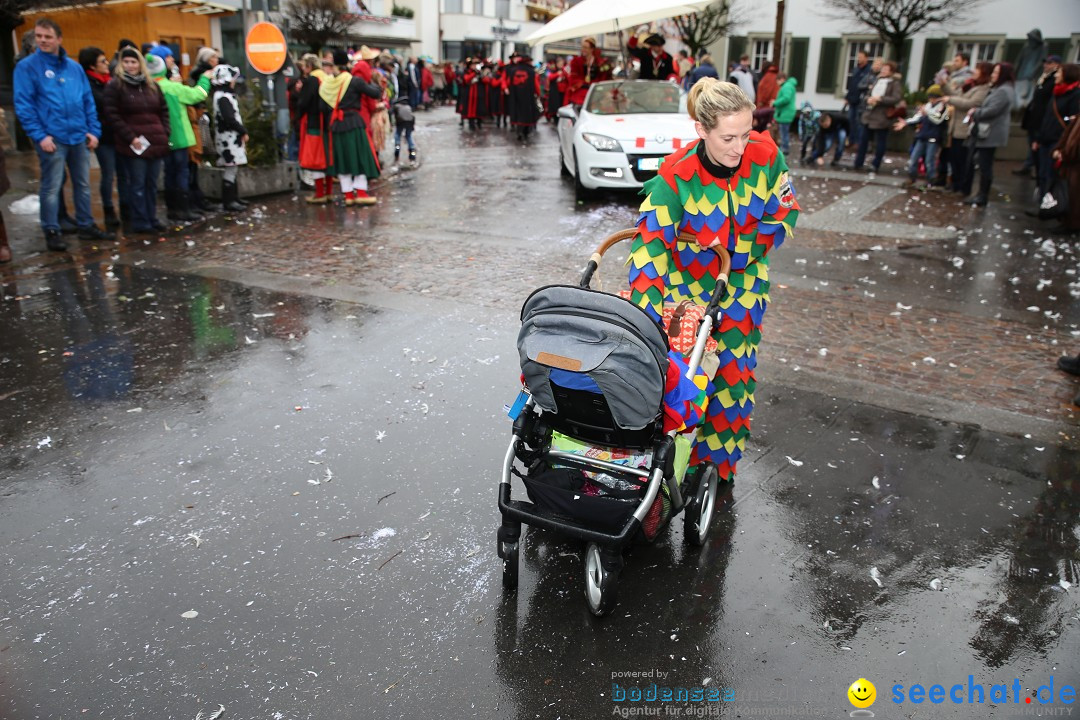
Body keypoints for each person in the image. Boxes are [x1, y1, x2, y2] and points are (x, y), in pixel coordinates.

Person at [626, 77, 798, 486]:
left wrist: (738, 255)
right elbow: (650, 249)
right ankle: (671, 463)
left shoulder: (766, 155)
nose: (740, 147)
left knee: (733, 378)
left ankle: (716, 470)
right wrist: (644, 321)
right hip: (686, 294)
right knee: (682, 380)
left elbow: (784, 212)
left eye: (746, 133)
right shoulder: (676, 175)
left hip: (743, 288)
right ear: (701, 130)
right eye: (728, 138)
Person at [13, 18, 114, 251]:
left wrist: (93, 130)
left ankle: (86, 224)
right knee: (51, 186)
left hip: (78, 135)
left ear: (59, 39)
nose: (42, 41)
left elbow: (87, 100)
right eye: (39, 36)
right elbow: (24, 104)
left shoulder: (74, 67)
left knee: (83, 183)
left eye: (48, 36)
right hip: (52, 137)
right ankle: (51, 229)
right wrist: (39, 136)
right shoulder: (27, 67)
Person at [103, 47, 170, 234]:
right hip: (134, 144)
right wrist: (130, 137)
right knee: (137, 183)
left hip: (155, 141)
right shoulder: (116, 86)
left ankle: (152, 217)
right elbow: (112, 114)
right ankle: (140, 220)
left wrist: (165, 132)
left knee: (152, 183)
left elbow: (163, 110)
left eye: (133, 62)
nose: (130, 66)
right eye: (126, 62)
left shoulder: (151, 86)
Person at [147, 52, 207, 223]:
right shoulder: (173, 88)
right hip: (178, 136)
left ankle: (172, 209)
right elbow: (199, 94)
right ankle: (183, 209)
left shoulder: (149, 87)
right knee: (181, 172)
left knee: (169, 173)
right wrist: (205, 79)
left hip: (160, 137)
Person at [320, 49, 383, 206]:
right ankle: (361, 192)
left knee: (342, 160)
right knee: (360, 157)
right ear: (347, 63)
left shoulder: (327, 83)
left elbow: (323, 105)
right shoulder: (353, 81)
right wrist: (372, 81)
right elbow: (375, 93)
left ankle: (348, 195)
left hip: (336, 125)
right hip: (354, 122)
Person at [78, 45, 124, 229]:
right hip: (104, 135)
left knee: (122, 173)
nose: (107, 64)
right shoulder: (89, 85)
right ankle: (108, 209)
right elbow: (102, 105)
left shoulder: (109, 81)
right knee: (108, 174)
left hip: (118, 134)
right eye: (102, 61)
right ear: (92, 66)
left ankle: (125, 207)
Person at [964, 62, 1017, 206]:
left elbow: (992, 111)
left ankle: (982, 196)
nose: (993, 75)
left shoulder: (1003, 91)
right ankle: (981, 194)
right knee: (982, 163)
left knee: (985, 165)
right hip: (989, 131)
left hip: (991, 133)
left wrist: (975, 112)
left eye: (996, 73)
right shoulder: (1002, 89)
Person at [1032, 63, 1079, 206]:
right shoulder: (1056, 92)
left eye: (1059, 73)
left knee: (1051, 176)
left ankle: (1050, 205)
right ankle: (1042, 203)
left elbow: (1072, 123)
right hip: (1046, 138)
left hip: (1058, 141)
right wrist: (1038, 138)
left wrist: (1062, 147)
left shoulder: (1075, 95)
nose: (1056, 75)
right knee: (1042, 174)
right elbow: (1047, 117)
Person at [941, 61, 991, 194]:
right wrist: (944, 85)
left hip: (965, 129)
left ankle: (963, 187)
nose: (974, 71)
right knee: (954, 157)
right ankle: (956, 184)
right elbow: (957, 95)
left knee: (962, 160)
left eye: (977, 69)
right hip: (956, 127)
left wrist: (950, 100)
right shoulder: (970, 85)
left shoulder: (983, 88)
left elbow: (971, 103)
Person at [893, 84, 949, 189]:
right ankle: (911, 177)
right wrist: (906, 122)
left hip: (934, 137)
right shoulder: (927, 106)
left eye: (934, 97)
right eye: (930, 97)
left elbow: (938, 120)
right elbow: (917, 117)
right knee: (914, 158)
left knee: (929, 160)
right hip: (922, 136)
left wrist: (927, 113)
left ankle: (930, 181)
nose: (932, 100)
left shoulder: (944, 108)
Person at [210, 64, 248, 212]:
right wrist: (242, 131)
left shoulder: (223, 95)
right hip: (228, 138)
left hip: (230, 137)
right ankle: (229, 200)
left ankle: (234, 198)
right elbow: (229, 119)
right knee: (230, 168)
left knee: (233, 168)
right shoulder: (224, 97)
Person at [854, 60, 902, 173]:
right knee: (863, 140)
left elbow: (896, 98)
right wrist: (868, 99)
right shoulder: (877, 80)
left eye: (886, 69)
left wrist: (880, 99)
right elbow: (867, 94)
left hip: (881, 116)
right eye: (883, 68)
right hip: (869, 115)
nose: (883, 71)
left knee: (880, 142)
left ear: (891, 71)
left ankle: (876, 164)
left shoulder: (894, 83)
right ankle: (858, 162)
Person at [1017, 55, 1060, 177]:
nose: (1046, 65)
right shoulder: (1043, 78)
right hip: (1034, 117)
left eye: (1049, 63)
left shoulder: (1053, 80)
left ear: (1056, 65)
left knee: (1037, 144)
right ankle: (1029, 165)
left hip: (1042, 119)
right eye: (1045, 62)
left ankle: (1036, 168)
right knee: (1032, 143)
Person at [296, 54, 330, 203]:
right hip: (328, 123)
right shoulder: (327, 77)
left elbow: (303, 103)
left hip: (314, 122)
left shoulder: (311, 80)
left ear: (309, 66)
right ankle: (328, 192)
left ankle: (319, 193)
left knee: (316, 159)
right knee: (327, 158)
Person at [1049, 99, 1080, 235]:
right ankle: (1068, 222)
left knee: (1075, 196)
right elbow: (1066, 136)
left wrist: (1065, 154)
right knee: (1070, 194)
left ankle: (1073, 225)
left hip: (1075, 165)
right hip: (1070, 165)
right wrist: (1059, 150)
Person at [566, 37, 611, 110]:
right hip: (581, 92)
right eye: (582, 47)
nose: (583, 49)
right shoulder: (576, 61)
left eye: (586, 47)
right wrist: (584, 84)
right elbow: (573, 78)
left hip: (595, 92)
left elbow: (604, 77)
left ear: (592, 49)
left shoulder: (599, 62)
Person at [505, 51, 541, 141]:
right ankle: (525, 132)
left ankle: (519, 131)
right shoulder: (531, 72)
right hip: (527, 97)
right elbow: (536, 85)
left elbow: (509, 82)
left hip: (516, 97)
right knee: (527, 115)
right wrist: (538, 94)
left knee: (518, 114)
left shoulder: (513, 70)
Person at [1015, 29, 1049, 108]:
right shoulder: (1026, 47)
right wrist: (1015, 72)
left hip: (1032, 77)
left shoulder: (1043, 46)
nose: (1031, 41)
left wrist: (1033, 72)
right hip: (1021, 76)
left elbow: (1042, 61)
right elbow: (1019, 60)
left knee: (1027, 97)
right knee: (1018, 95)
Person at [844, 51, 871, 146]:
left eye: (861, 57)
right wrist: (847, 97)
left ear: (866, 58)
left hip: (861, 101)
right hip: (852, 99)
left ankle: (859, 142)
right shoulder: (856, 69)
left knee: (859, 122)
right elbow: (851, 84)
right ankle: (851, 140)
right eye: (858, 57)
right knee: (851, 120)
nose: (859, 59)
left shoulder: (868, 71)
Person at [771, 72, 797, 155]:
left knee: (784, 133)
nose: (777, 83)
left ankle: (784, 150)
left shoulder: (786, 86)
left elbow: (786, 98)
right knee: (784, 132)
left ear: (782, 79)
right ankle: (784, 148)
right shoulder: (789, 86)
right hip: (786, 113)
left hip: (785, 113)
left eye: (778, 81)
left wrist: (775, 103)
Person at [392, 95, 415, 164]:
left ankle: (397, 150)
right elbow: (412, 117)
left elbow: (393, 115)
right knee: (408, 136)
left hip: (400, 122)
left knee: (397, 135)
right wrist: (412, 127)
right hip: (410, 122)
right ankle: (412, 153)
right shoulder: (408, 107)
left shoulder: (396, 106)